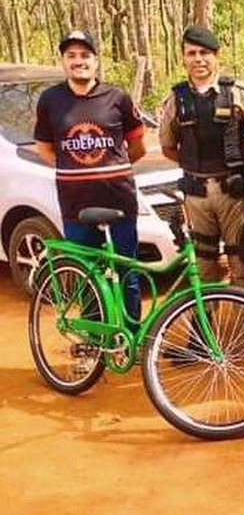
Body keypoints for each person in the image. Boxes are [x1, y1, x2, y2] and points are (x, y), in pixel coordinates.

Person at [33, 30, 146, 328]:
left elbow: (138, 146)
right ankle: (95, 340)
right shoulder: (50, 100)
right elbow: (43, 146)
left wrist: (112, 167)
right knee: (86, 274)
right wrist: (71, 167)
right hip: (76, 204)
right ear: (63, 62)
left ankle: (132, 335)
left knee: (127, 272)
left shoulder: (117, 97)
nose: (78, 61)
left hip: (119, 199)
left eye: (85, 55)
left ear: (96, 61)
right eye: (71, 56)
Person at [158, 25, 244, 295]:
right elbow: (168, 147)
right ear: (183, 58)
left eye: (205, 52)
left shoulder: (238, 92)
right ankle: (205, 333)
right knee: (204, 268)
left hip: (234, 193)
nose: (198, 59)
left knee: (242, 264)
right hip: (197, 196)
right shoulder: (177, 98)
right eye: (191, 53)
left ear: (216, 55)